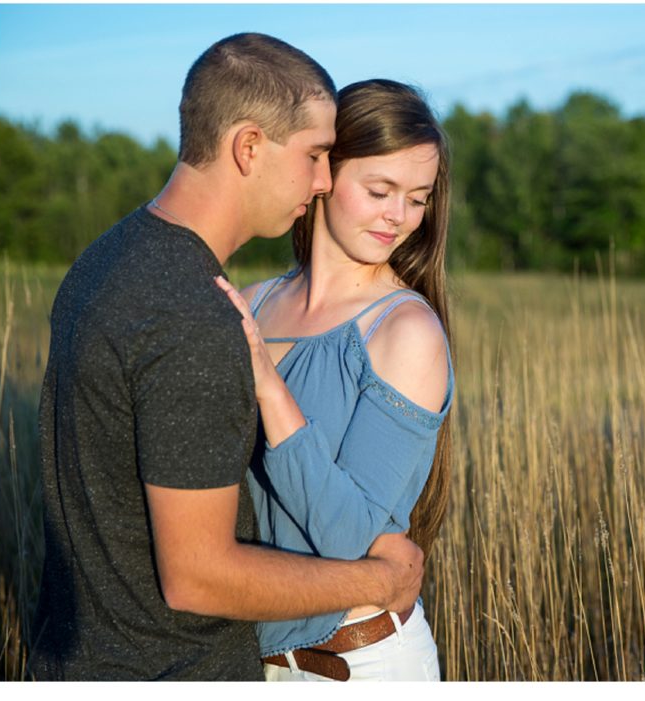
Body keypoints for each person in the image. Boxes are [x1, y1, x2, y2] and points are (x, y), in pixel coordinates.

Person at [30, 34, 423, 681]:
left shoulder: (102, 262)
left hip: (76, 657)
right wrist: (378, 579)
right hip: (165, 669)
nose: (324, 180)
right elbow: (199, 577)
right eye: (316, 155)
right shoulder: (196, 316)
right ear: (248, 147)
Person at [214, 79, 454, 681]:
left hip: (361, 666)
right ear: (323, 172)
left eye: (418, 198)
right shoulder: (253, 302)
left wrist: (268, 385)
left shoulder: (406, 332)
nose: (398, 217)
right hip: (248, 663)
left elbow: (348, 537)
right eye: (380, 190)